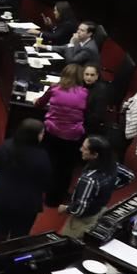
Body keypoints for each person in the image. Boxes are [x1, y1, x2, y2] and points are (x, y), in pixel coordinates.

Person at [0, 119, 52, 242]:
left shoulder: (6, 145)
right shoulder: (41, 156)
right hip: (27, 203)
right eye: (42, 133)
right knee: (19, 237)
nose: (43, 136)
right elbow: (46, 183)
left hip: (2, 198)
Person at [59, 135, 134, 239]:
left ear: (95, 155)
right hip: (101, 210)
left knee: (66, 244)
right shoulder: (112, 165)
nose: (81, 149)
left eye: (85, 148)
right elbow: (129, 176)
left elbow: (80, 209)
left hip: (84, 219)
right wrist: (110, 187)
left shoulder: (89, 179)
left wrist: (66, 209)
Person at [35, 63, 88, 207]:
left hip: (52, 132)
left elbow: (39, 104)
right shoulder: (84, 93)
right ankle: (55, 199)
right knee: (66, 168)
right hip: (72, 137)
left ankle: (44, 190)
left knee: (50, 162)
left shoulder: (54, 88)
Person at [82, 64, 113, 137]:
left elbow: (97, 117)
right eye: (86, 74)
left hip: (90, 127)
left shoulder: (101, 92)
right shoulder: (81, 85)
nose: (89, 77)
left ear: (97, 77)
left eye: (92, 75)